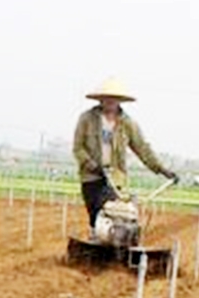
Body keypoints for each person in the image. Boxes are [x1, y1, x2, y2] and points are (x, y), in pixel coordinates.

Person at [73, 78, 177, 231]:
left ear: (120, 100)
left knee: (115, 214)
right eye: (107, 97)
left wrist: (163, 170)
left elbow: (143, 149)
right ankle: (97, 241)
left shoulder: (127, 124)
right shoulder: (87, 119)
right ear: (100, 99)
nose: (110, 101)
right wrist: (92, 165)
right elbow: (78, 148)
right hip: (92, 177)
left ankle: (116, 246)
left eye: (114, 98)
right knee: (96, 217)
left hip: (116, 179)